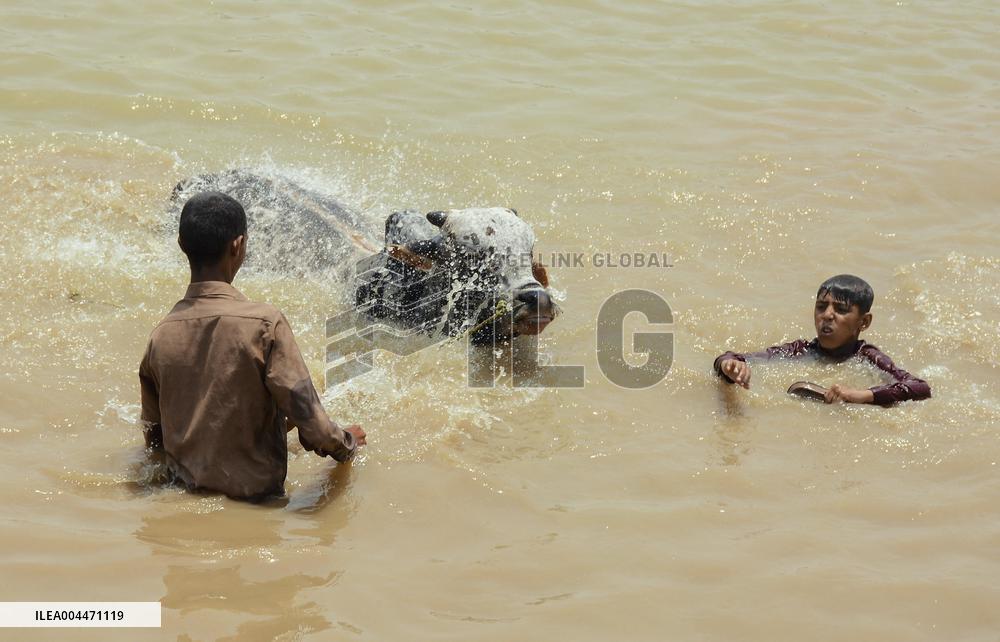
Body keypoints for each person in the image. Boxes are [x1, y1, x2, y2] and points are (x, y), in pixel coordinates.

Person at [139, 191, 366, 500]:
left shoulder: (161, 336)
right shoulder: (264, 324)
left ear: (181, 244)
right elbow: (317, 430)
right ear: (238, 245)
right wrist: (348, 444)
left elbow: (156, 438)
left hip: (183, 503)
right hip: (256, 509)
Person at [713, 274, 931, 405]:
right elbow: (736, 358)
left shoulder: (867, 357)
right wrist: (729, 366)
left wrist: (860, 396)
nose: (827, 315)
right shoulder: (800, 351)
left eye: (841, 309)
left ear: (863, 323)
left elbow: (919, 388)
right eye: (821, 307)